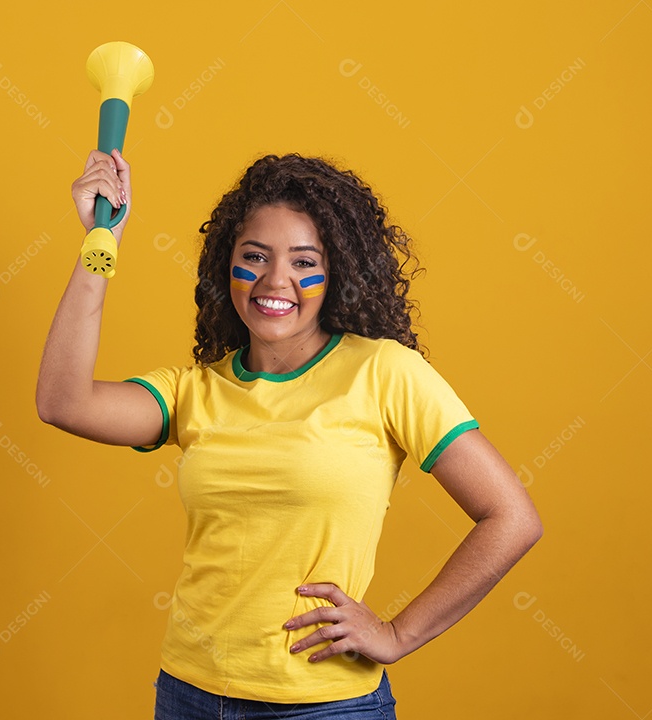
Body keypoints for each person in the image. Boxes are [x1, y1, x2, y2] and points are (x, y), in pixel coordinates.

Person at [36, 148, 543, 719]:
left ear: (338, 274)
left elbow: (512, 518)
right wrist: (100, 241)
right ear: (224, 266)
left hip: (322, 707)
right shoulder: (195, 391)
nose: (276, 280)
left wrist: (399, 634)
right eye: (255, 256)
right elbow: (63, 401)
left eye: (305, 262)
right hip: (188, 695)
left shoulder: (384, 372)